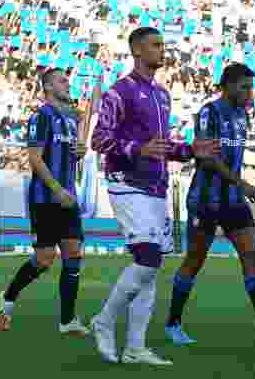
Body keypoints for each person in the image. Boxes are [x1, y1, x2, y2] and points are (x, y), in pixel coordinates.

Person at [88, 27, 217, 366]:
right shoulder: (120, 92)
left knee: (150, 267)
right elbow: (99, 140)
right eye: (156, 46)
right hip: (127, 182)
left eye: (163, 45)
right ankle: (103, 321)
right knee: (147, 258)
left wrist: (191, 150)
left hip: (156, 186)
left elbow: (161, 147)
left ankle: (135, 346)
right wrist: (136, 149)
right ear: (136, 51)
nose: (163, 51)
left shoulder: (161, 95)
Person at [163, 63, 255, 345]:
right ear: (228, 86)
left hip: (233, 201)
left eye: (251, 87)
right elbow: (205, 157)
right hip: (206, 199)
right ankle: (173, 323)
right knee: (195, 260)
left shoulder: (243, 115)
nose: (249, 93)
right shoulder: (209, 112)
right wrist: (241, 182)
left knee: (251, 256)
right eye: (244, 87)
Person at [0, 67, 90, 336]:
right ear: (49, 87)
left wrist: (81, 151)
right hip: (46, 198)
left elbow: (71, 155)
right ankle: (8, 296)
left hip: (68, 197)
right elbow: (35, 158)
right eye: (63, 81)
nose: (67, 85)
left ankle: (67, 320)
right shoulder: (42, 116)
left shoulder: (70, 120)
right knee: (45, 259)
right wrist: (57, 189)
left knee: (73, 253)